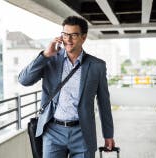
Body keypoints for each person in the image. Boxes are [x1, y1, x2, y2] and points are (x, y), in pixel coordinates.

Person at [18, 16, 115, 158]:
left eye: (74, 35)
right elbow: (24, 80)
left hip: (83, 133)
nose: (68, 40)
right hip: (53, 132)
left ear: (83, 37)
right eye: (65, 34)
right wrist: (45, 55)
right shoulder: (50, 59)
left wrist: (108, 135)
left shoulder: (97, 66)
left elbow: (104, 102)